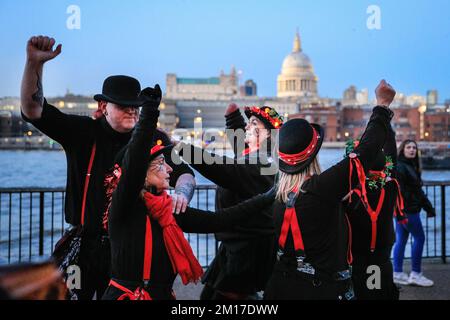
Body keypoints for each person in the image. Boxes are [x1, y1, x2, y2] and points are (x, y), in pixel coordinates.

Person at [20, 36, 196, 299]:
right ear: (103, 106)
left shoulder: (153, 138)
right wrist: (34, 63)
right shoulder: (83, 132)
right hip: (84, 247)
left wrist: (182, 193)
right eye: (124, 105)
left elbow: (184, 173)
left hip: (127, 251)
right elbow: (34, 109)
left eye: (136, 106)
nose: (133, 112)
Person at [101, 87, 274, 300]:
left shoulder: (168, 208)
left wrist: (267, 198)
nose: (171, 169)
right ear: (140, 176)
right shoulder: (125, 204)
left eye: (254, 124)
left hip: (245, 252)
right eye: (161, 164)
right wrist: (148, 114)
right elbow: (135, 161)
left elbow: (220, 215)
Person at [262, 80, 396, 300]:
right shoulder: (322, 189)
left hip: (279, 288)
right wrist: (382, 105)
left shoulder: (275, 196)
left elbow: (225, 218)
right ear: (314, 153)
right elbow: (365, 153)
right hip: (319, 290)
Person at [177, 104, 283, 300]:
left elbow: (223, 170)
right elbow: (236, 128)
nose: (248, 128)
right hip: (235, 242)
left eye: (254, 125)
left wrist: (181, 148)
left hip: (248, 248)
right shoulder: (250, 155)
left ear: (269, 136)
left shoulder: (264, 164)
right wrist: (234, 116)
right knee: (210, 295)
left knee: (230, 297)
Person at [344, 124, 407, 300]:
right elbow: (392, 160)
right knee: (380, 288)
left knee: (361, 290)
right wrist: (387, 131)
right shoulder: (391, 187)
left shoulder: (349, 193)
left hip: (358, 252)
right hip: (382, 250)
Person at [393, 140, 436, 287]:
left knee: (401, 239)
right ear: (402, 149)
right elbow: (403, 192)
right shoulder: (401, 167)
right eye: (408, 147)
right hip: (408, 210)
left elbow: (417, 191)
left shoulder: (410, 166)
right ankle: (415, 274)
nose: (411, 150)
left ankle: (397, 273)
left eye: (414, 148)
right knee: (420, 238)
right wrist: (404, 211)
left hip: (403, 210)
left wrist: (428, 207)